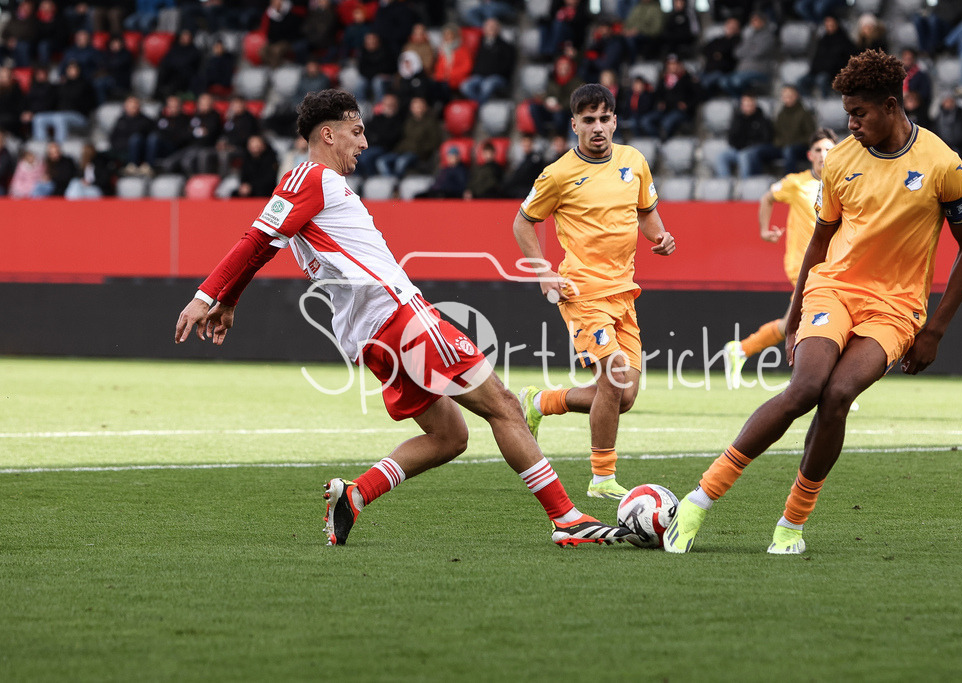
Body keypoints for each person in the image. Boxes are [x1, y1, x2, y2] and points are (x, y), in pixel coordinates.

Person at [173, 88, 631, 548]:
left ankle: (353, 496)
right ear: (327, 134)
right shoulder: (309, 179)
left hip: (372, 336)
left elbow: (264, 244)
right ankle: (568, 519)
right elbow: (255, 240)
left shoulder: (312, 188)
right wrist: (206, 296)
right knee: (506, 407)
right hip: (400, 316)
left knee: (449, 436)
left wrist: (229, 300)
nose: (365, 143)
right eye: (356, 132)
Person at [664, 49, 962, 555]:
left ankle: (791, 524)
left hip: (895, 309)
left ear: (892, 106)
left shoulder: (943, 165)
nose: (850, 124)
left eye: (859, 113)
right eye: (846, 114)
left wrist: (935, 330)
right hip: (832, 289)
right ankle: (699, 500)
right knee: (806, 387)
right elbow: (819, 242)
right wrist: (792, 319)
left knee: (837, 398)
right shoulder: (839, 162)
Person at [513, 83, 676, 500]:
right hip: (582, 292)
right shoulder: (558, 174)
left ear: (615, 121)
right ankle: (602, 478)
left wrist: (661, 238)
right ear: (575, 125)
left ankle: (540, 402)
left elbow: (646, 213)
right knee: (615, 378)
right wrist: (543, 272)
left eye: (604, 118)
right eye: (589, 120)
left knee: (625, 397)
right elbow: (522, 222)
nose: (598, 127)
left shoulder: (634, 162)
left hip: (624, 292)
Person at [724, 128, 838, 389]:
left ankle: (740, 350)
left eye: (829, 150)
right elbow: (767, 197)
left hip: (832, 266)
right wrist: (764, 231)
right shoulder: (796, 182)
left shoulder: (841, 184)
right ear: (810, 155)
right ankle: (828, 387)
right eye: (819, 150)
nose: (824, 155)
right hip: (804, 267)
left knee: (791, 323)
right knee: (826, 322)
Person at [715, 93, 775, 179]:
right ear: (742, 106)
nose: (748, 107)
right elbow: (731, 137)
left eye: (750, 104)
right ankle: (726, 182)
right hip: (738, 149)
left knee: (744, 155)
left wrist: (749, 145)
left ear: (755, 105)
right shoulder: (737, 119)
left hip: (751, 151)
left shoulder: (762, 119)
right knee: (722, 156)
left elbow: (766, 139)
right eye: (746, 105)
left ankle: (745, 184)